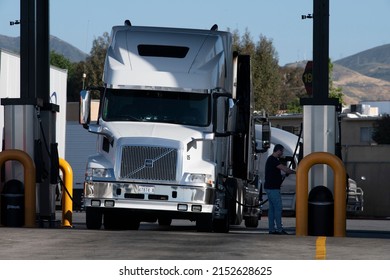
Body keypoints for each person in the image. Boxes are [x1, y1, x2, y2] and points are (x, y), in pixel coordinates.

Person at [264, 144, 295, 234]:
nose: (282, 153)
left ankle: (272, 229)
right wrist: (295, 171)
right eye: (282, 151)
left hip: (270, 187)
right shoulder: (273, 160)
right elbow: (285, 169)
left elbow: (275, 173)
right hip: (273, 189)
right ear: (278, 151)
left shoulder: (271, 160)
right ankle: (279, 229)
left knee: (272, 209)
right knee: (278, 208)